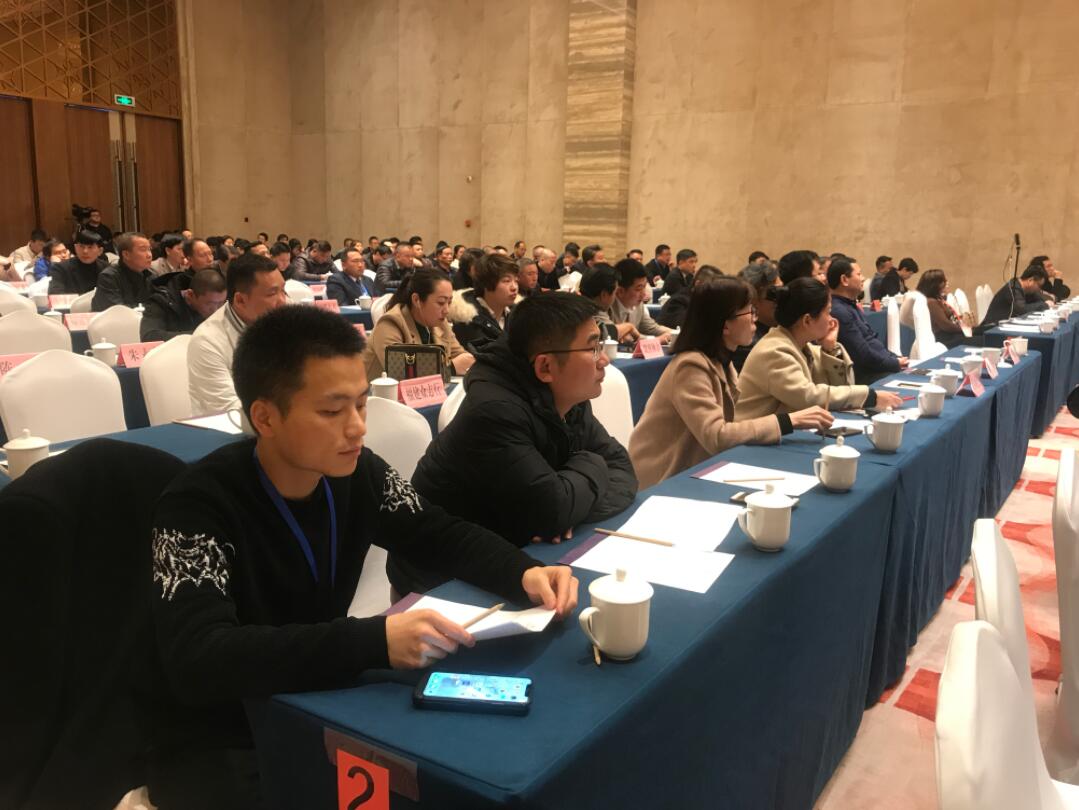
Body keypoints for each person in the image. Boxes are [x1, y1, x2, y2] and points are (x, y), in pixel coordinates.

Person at [147, 304, 577, 808]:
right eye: (332, 412)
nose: (356, 428)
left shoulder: (357, 474)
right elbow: (199, 658)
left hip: (315, 693)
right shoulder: (197, 505)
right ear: (264, 417)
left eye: (361, 404)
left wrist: (523, 571)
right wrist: (373, 641)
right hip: (224, 732)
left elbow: (438, 533)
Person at [396, 292, 636, 596]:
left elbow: (622, 468)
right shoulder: (494, 411)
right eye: (592, 348)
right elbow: (554, 509)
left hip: (510, 557)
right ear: (545, 367)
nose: (604, 360)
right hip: (440, 579)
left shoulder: (569, 398)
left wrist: (570, 509)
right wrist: (592, 464)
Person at [630, 278, 833, 488]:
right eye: (750, 312)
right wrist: (788, 421)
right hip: (663, 480)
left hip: (698, 468)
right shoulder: (690, 366)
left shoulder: (720, 361)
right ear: (725, 325)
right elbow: (717, 437)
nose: (755, 320)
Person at [736, 278, 904, 419]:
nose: (832, 319)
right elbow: (808, 397)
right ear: (807, 320)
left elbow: (840, 387)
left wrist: (830, 348)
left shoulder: (803, 346)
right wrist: (869, 396)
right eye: (828, 312)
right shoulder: (775, 351)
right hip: (751, 442)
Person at [187, 252, 288, 416]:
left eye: (283, 291)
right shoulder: (207, 341)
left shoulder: (285, 323)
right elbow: (230, 410)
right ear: (240, 300)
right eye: (272, 294)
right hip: (229, 427)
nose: (283, 301)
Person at [363, 267, 475, 380]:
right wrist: (449, 369)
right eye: (441, 302)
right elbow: (401, 374)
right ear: (416, 300)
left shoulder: (440, 322)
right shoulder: (390, 324)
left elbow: (461, 356)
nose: (446, 310)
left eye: (449, 302)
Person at [828, 257, 908, 384]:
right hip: (866, 376)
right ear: (844, 280)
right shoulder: (839, 311)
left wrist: (894, 358)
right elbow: (862, 354)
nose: (863, 278)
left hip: (875, 368)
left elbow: (872, 341)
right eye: (859, 274)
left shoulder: (849, 305)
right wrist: (894, 363)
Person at [449, 252, 518, 352]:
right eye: (506, 281)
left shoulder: (517, 314)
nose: (514, 287)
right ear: (486, 283)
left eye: (516, 281)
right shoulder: (467, 319)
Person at [141, 268, 228, 342]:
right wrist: (200, 334)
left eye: (221, 303)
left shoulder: (221, 308)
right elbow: (149, 336)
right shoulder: (162, 301)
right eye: (210, 304)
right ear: (190, 295)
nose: (216, 310)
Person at [732, 261, 783, 371]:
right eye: (775, 293)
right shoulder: (748, 342)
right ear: (754, 300)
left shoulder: (782, 327)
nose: (782, 298)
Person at [610, 258, 673, 342]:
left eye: (644, 286)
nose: (644, 294)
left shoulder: (638, 305)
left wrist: (676, 333)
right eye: (639, 289)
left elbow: (653, 328)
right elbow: (607, 335)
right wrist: (656, 340)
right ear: (620, 291)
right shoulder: (606, 306)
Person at [91, 232, 154, 311]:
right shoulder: (108, 277)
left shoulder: (150, 276)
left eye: (149, 249)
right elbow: (117, 311)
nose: (149, 255)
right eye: (143, 250)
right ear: (126, 254)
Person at [581, 263, 638, 343]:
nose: (615, 297)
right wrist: (629, 326)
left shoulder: (580, 303)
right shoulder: (589, 311)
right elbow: (606, 333)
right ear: (604, 295)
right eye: (615, 292)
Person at [916, 268, 973, 349]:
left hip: (950, 335)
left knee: (982, 334)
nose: (947, 283)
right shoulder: (931, 302)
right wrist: (965, 329)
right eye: (944, 281)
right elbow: (946, 325)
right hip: (945, 339)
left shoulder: (937, 299)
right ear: (935, 285)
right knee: (983, 339)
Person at [656, 264, 723, 328]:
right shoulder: (678, 302)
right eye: (713, 288)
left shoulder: (705, 300)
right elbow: (689, 327)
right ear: (698, 284)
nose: (716, 293)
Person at [981, 265, 1050, 325]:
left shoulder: (1025, 289)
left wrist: (1046, 302)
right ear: (1030, 280)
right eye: (1039, 285)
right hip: (992, 328)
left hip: (1004, 326)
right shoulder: (1013, 288)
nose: (1039, 289)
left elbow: (1042, 299)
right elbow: (1022, 310)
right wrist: (1045, 305)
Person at [48, 230, 106, 294]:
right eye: (81, 246)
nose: (85, 251)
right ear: (75, 248)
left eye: (90, 247)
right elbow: (55, 295)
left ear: (100, 251)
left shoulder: (106, 268)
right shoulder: (61, 268)